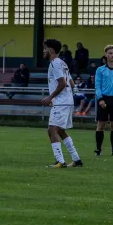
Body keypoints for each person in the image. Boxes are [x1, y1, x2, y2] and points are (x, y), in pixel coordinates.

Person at [40, 39, 82, 168]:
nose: (43, 51)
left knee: (51, 130)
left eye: (45, 48)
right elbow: (71, 82)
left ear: (51, 50)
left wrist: (50, 98)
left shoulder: (55, 63)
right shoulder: (62, 63)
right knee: (61, 131)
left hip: (61, 103)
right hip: (67, 101)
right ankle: (76, 159)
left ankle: (60, 161)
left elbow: (62, 83)